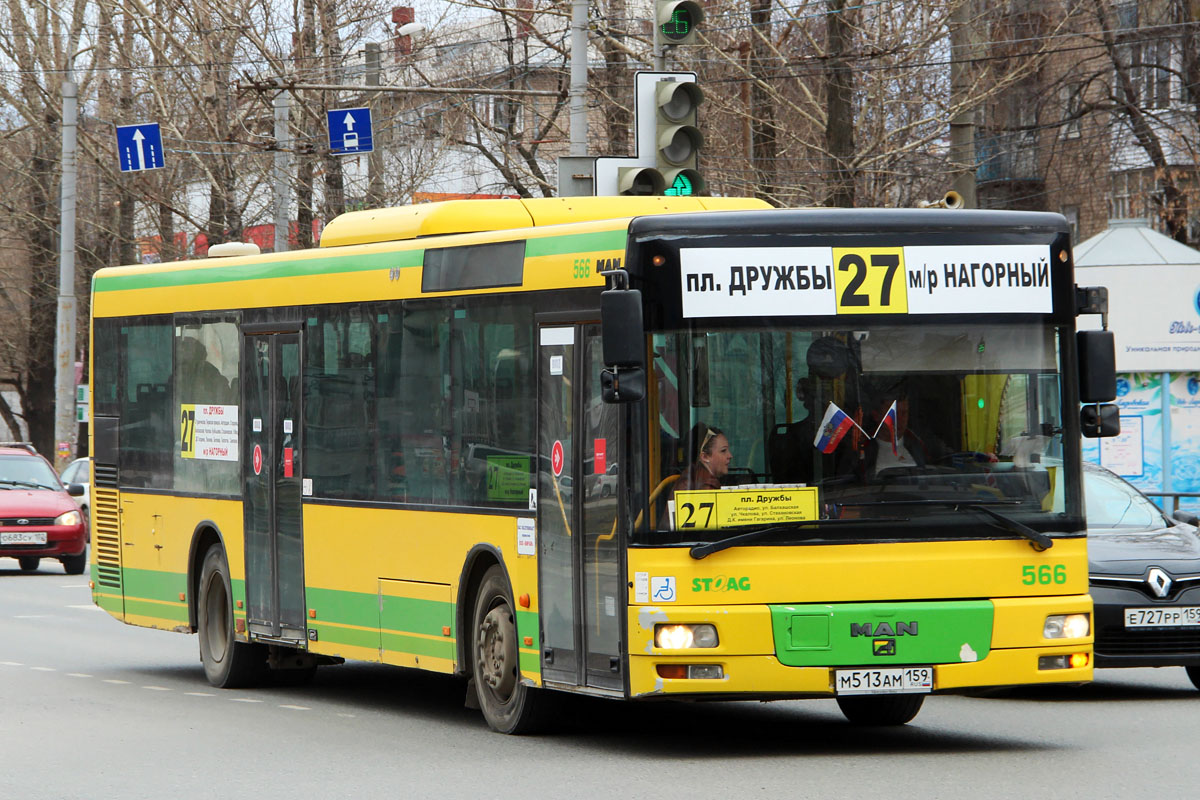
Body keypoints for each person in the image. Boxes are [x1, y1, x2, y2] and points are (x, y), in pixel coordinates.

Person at [676, 422, 732, 491]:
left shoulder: (692, 475)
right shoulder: (707, 487)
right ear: (705, 457)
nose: (730, 456)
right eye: (723, 451)